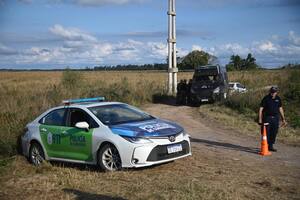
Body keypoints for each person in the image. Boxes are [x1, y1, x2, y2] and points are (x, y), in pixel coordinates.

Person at [258, 86, 287, 152]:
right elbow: (261, 109)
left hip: (275, 118)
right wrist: (260, 119)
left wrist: (283, 119)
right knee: (266, 132)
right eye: (272, 92)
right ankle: (265, 145)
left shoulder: (278, 99)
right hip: (267, 118)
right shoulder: (266, 98)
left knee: (274, 132)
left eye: (274, 92)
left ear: (276, 92)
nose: (273, 93)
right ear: (270, 92)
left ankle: (270, 146)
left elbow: (280, 108)